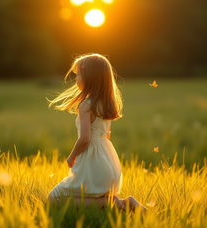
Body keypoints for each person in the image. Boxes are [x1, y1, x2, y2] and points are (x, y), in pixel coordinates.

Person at [46, 53, 147, 213]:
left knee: (54, 198)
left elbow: (85, 139)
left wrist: (72, 156)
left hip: (93, 163)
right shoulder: (105, 105)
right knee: (88, 197)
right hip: (108, 162)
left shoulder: (86, 106)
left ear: (89, 78)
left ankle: (111, 204)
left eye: (78, 74)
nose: (76, 78)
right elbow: (107, 135)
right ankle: (125, 203)